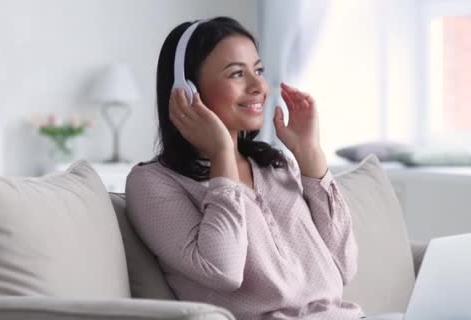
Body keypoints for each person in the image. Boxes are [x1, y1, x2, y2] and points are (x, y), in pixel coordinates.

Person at [126, 16, 364, 320]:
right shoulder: (152, 183)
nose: (258, 86)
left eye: (259, 71)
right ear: (186, 92)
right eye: (237, 73)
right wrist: (222, 152)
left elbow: (345, 266)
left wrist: (310, 156)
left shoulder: (276, 166)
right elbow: (222, 271)